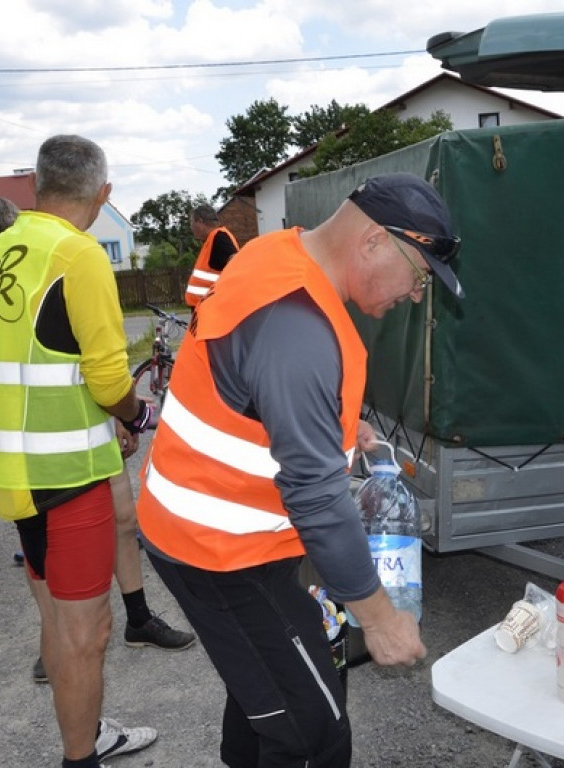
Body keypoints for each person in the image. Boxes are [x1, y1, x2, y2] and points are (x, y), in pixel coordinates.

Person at [135, 172, 464, 767]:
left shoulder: (274, 254)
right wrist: (378, 617)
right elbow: (315, 497)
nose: (417, 296)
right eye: (419, 277)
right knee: (312, 732)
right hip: (220, 552)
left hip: (196, 528)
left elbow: (252, 384)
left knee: (267, 693)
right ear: (374, 242)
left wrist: (337, 426)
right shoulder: (299, 327)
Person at [0, 137, 160, 768]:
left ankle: (88, 734)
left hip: (12, 476)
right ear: (103, 194)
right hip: (69, 477)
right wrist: (137, 414)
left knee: (54, 617)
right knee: (87, 632)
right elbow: (107, 379)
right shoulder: (78, 254)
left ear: (34, 187)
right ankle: (81, 756)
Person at [0, 198, 197, 686]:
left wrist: (117, 420)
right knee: (57, 577)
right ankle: (59, 649)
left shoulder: (47, 271)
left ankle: (137, 618)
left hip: (85, 435)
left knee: (123, 522)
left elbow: (80, 363)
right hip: (43, 460)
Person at [185, 204, 239, 307]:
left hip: (211, 306)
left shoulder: (219, 237)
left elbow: (235, 264)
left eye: (192, 223)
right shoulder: (212, 239)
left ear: (200, 221)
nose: (191, 227)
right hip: (205, 305)